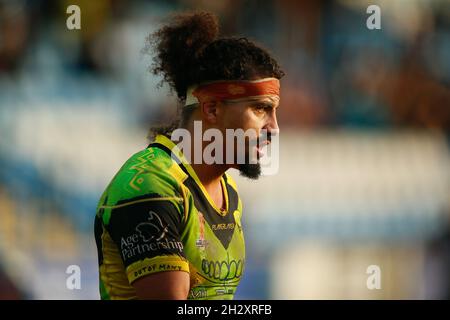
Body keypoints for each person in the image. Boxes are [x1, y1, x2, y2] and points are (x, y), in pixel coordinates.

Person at [94, 11, 284, 300]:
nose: (274, 129)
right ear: (211, 109)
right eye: (260, 109)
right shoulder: (151, 186)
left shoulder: (226, 189)